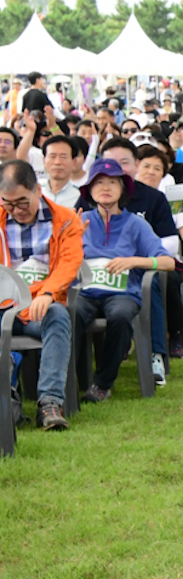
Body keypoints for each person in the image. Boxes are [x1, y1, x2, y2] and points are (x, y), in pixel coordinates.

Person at [72, 158, 171, 403]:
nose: (105, 188)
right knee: (68, 314)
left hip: (122, 293)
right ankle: (68, 380)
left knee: (119, 315)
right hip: (84, 291)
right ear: (89, 191)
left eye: (112, 183)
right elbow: (55, 259)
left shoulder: (136, 224)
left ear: (123, 189)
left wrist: (133, 261)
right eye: (99, 183)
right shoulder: (79, 221)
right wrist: (71, 240)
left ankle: (102, 384)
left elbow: (169, 262)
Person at [0, 159, 82, 431]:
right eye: (8, 203)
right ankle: (7, 397)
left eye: (22, 202)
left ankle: (49, 403)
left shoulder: (65, 219)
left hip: (40, 303)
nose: (16, 210)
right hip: (3, 304)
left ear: (38, 189)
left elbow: (70, 263)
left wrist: (48, 292)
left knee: (58, 315)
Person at [40, 135, 82, 209]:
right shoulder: (35, 191)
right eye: (52, 156)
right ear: (44, 161)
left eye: (63, 157)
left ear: (74, 162)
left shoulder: (79, 195)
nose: (57, 162)